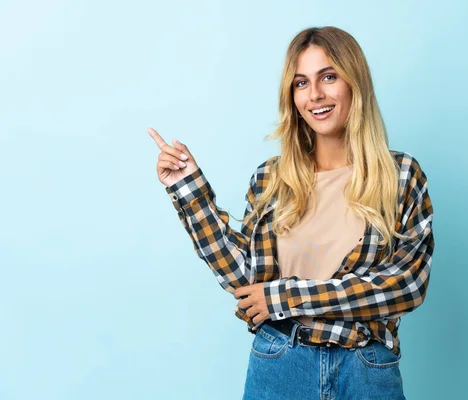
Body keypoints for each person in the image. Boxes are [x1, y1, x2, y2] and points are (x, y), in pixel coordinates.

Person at [149, 26, 434, 400]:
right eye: (301, 83)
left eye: (328, 77)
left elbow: (406, 286)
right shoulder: (272, 178)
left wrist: (286, 298)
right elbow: (248, 281)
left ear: (355, 83)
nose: (315, 94)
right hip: (281, 363)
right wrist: (187, 188)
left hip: (364, 369)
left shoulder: (400, 176)